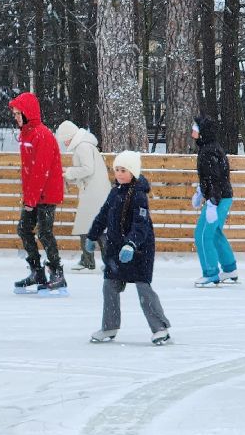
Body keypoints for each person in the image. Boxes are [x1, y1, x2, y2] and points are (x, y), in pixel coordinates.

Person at [87, 150, 172, 345]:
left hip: (139, 250)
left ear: (133, 171)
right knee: (109, 286)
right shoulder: (115, 191)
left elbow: (141, 224)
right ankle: (110, 326)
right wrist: (92, 235)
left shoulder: (139, 195)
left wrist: (132, 244)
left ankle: (160, 328)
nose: (119, 174)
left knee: (143, 288)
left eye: (123, 170)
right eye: (116, 169)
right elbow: (103, 215)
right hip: (116, 249)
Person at [9, 91, 66, 295]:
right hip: (34, 194)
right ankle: (37, 272)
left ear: (27, 113)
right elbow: (29, 171)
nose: (15, 117)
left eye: (18, 113)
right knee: (24, 229)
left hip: (47, 194)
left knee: (44, 232)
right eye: (14, 113)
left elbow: (40, 171)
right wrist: (29, 197)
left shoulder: (42, 135)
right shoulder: (27, 134)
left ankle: (57, 273)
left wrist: (31, 200)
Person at [56, 119, 111, 272]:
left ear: (70, 136)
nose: (64, 143)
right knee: (93, 227)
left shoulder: (82, 147)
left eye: (65, 139)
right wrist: (71, 175)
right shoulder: (85, 145)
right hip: (95, 191)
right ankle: (104, 260)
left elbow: (87, 169)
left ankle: (94, 261)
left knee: (90, 227)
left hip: (93, 193)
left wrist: (69, 172)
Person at [191, 114, 239, 287]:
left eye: (195, 128)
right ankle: (229, 268)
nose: (192, 130)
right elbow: (211, 177)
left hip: (219, 198)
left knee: (202, 235)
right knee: (215, 233)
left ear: (203, 132)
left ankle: (210, 273)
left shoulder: (208, 150)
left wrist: (212, 202)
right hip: (222, 196)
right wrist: (200, 190)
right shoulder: (209, 148)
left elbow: (217, 179)